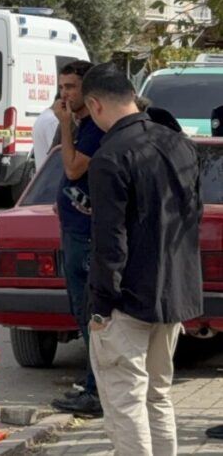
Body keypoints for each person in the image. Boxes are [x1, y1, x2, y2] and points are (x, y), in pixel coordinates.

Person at [84, 62, 202, 456]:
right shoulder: (179, 144)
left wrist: (100, 307)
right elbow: (192, 217)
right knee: (157, 394)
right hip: (173, 295)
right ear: (132, 96)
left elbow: (110, 241)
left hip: (127, 301)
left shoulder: (109, 157)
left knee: (125, 401)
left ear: (95, 104)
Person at [50, 60, 105, 417]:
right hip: (74, 228)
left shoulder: (94, 128)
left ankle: (96, 392)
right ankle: (92, 385)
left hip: (86, 235)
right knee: (81, 311)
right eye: (62, 87)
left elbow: (72, 168)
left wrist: (65, 125)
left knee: (89, 314)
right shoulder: (82, 124)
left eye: (71, 87)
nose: (64, 94)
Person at [31, 94, 60, 172]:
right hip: (51, 174)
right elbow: (57, 154)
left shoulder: (44, 116)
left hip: (44, 174)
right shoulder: (53, 121)